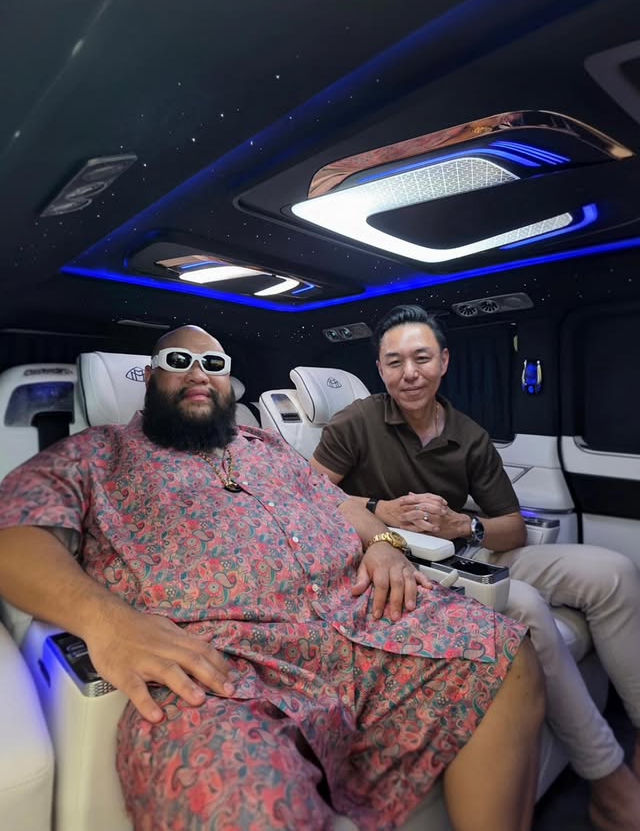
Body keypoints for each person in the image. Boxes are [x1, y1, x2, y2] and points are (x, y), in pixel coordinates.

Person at [0, 325, 543, 831]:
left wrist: (383, 541)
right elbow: (14, 535)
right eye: (179, 361)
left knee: (502, 654)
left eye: (213, 364)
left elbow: (340, 505)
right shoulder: (96, 453)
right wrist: (108, 622)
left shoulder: (268, 447)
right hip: (224, 671)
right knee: (238, 797)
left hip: (360, 623)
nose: (198, 373)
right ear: (150, 376)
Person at [311, 304, 640, 831]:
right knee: (522, 602)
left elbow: (512, 527)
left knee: (613, 572)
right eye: (395, 362)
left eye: (421, 358)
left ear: (444, 362)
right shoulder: (356, 422)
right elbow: (306, 496)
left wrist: (462, 525)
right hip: (407, 560)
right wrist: (379, 510)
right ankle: (607, 778)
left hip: (468, 547)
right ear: (380, 370)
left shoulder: (469, 435)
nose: (409, 373)